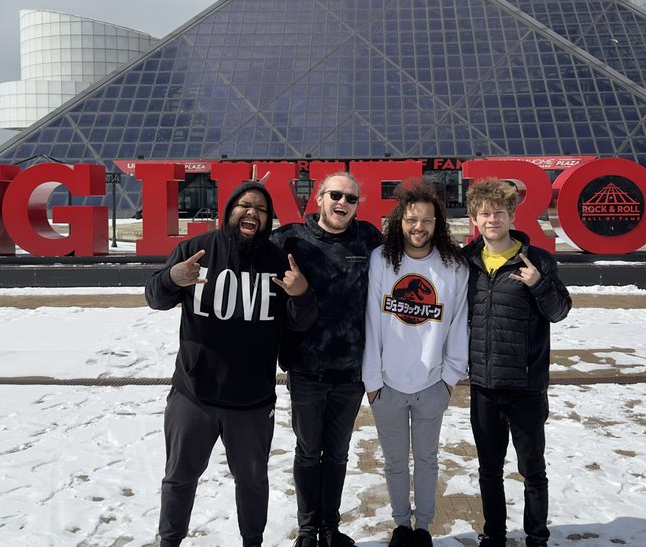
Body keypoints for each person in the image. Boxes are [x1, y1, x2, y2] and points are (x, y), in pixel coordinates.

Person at [145, 180, 317, 547]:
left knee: (253, 482)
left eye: (261, 208)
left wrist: (302, 295)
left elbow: (300, 323)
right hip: (194, 395)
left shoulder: (277, 262)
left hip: (252, 402)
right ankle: (169, 541)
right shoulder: (196, 250)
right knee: (178, 478)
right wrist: (172, 278)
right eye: (244, 204)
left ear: (269, 219)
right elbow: (155, 297)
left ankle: (252, 541)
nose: (251, 212)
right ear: (229, 211)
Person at [271, 172, 383, 547]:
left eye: (351, 199)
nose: (343, 203)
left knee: (336, 454)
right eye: (336, 195)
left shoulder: (368, 239)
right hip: (306, 369)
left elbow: (413, 256)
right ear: (318, 198)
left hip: (350, 372)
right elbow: (245, 255)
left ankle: (329, 528)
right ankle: (307, 529)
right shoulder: (290, 239)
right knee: (307, 452)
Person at [462, 178, 572, 547]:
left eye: (498, 212)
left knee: (532, 471)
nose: (491, 219)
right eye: (484, 213)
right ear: (475, 219)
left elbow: (559, 312)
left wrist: (539, 283)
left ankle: (536, 537)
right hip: (484, 386)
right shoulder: (468, 262)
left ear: (511, 215)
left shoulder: (537, 260)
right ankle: (493, 535)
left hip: (526, 386)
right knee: (489, 470)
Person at [361, 179, 469, 547]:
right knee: (394, 463)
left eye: (426, 220)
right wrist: (373, 383)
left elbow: (457, 325)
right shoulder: (382, 260)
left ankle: (423, 528)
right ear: (400, 221)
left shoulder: (453, 267)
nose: (418, 227)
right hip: (387, 386)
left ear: (438, 223)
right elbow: (372, 323)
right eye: (411, 219)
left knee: (426, 461)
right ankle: (400, 526)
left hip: (431, 386)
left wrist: (450, 378)